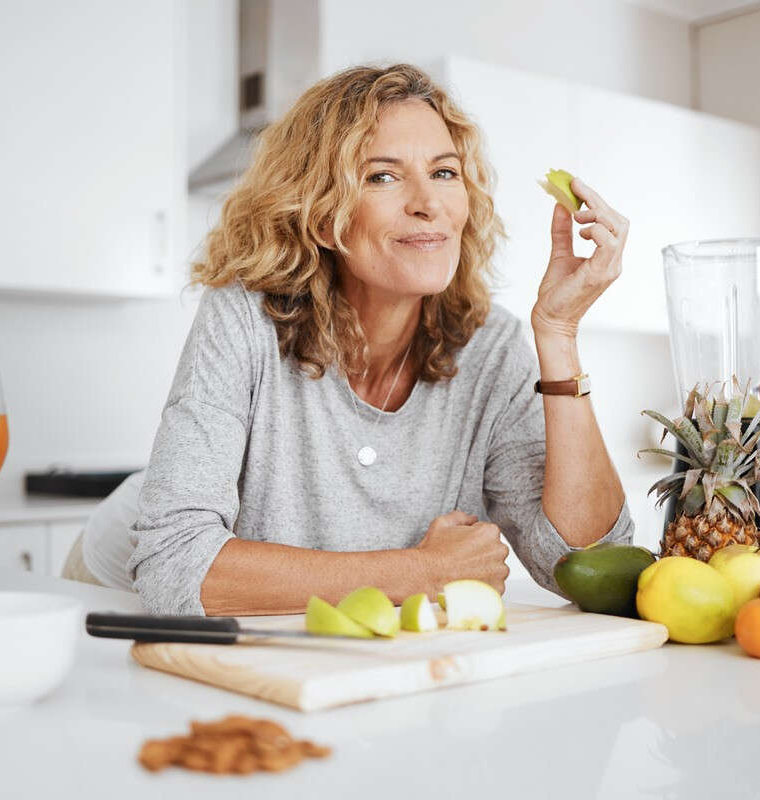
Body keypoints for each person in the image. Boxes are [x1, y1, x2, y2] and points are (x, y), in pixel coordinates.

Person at [123, 63, 632, 616]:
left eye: (444, 172)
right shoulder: (243, 317)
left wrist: (558, 335)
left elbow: (594, 567)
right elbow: (171, 564)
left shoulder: (492, 349)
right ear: (321, 217)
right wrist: (422, 572)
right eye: (382, 177)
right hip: (109, 582)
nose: (428, 203)